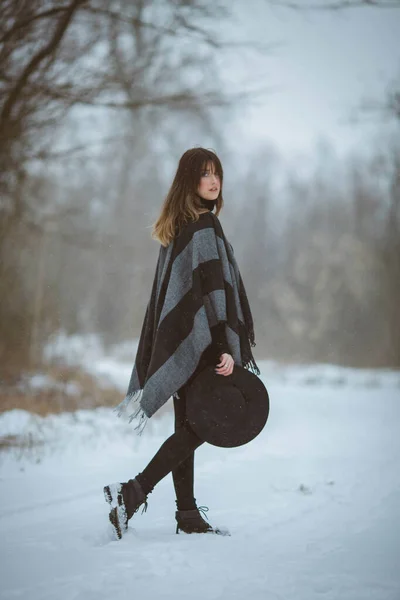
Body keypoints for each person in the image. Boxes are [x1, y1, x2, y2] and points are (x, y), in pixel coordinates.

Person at [104, 147, 255, 539]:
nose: (214, 180)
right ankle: (133, 491)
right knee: (201, 426)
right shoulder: (203, 226)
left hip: (187, 342)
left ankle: (186, 514)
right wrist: (222, 346)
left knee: (187, 425)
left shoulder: (179, 228)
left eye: (217, 173)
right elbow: (210, 291)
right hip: (205, 344)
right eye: (205, 174)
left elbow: (189, 294)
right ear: (190, 180)